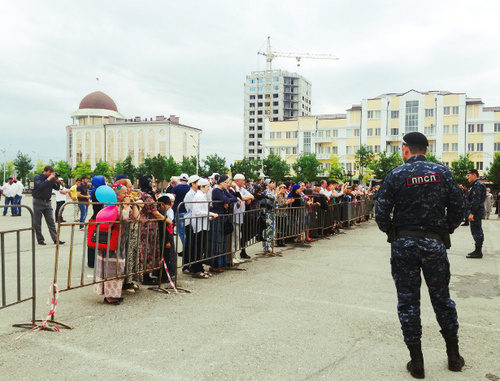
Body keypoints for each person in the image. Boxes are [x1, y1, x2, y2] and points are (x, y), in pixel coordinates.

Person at [375, 132, 465, 378]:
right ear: (426, 149)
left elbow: (381, 213)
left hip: (404, 244)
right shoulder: (442, 173)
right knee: (442, 299)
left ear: (405, 149)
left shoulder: (395, 175)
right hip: (434, 243)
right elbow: (459, 207)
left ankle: (417, 363)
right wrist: (445, 229)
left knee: (408, 302)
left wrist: (393, 232)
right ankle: (454, 357)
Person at [94, 182, 139, 305]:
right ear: (116, 195)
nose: (127, 194)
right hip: (111, 243)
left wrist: (133, 204)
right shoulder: (110, 207)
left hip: (120, 243)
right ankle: (110, 296)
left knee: (118, 269)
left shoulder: (123, 205)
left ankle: (114, 294)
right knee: (110, 269)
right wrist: (127, 205)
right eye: (124, 193)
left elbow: (135, 217)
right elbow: (123, 217)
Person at [138, 174, 165, 285]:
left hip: (149, 226)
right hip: (148, 227)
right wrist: (165, 219)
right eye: (152, 181)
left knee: (149, 251)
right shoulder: (147, 196)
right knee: (148, 251)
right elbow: (154, 212)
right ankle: (146, 276)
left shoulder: (145, 194)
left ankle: (147, 274)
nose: (154, 183)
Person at [191, 178, 218, 278]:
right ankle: (196, 269)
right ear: (201, 187)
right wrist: (210, 213)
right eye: (207, 186)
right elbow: (198, 212)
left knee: (201, 247)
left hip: (203, 224)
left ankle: (200, 268)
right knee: (198, 248)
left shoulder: (202, 195)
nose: (208, 188)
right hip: (199, 225)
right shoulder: (199, 196)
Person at [32, 166, 65, 245]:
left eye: (52, 173)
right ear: (45, 171)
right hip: (38, 201)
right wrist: (49, 179)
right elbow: (40, 186)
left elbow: (57, 188)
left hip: (47, 202)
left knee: (51, 221)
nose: (51, 174)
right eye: (49, 172)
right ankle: (40, 240)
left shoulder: (51, 179)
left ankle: (55, 239)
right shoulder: (38, 177)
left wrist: (56, 180)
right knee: (37, 222)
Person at [465, 169, 486, 259]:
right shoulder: (475, 185)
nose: (467, 177)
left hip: (476, 212)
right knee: (476, 230)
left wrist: (472, 213)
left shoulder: (477, 185)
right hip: (476, 211)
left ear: (474, 175)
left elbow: (476, 200)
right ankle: (477, 250)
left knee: (477, 230)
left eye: (469, 175)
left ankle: (478, 251)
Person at [87, 175, 107, 268]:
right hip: (99, 218)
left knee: (94, 240)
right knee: (95, 240)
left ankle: (92, 261)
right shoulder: (99, 192)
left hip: (95, 217)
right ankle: (93, 262)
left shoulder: (95, 191)